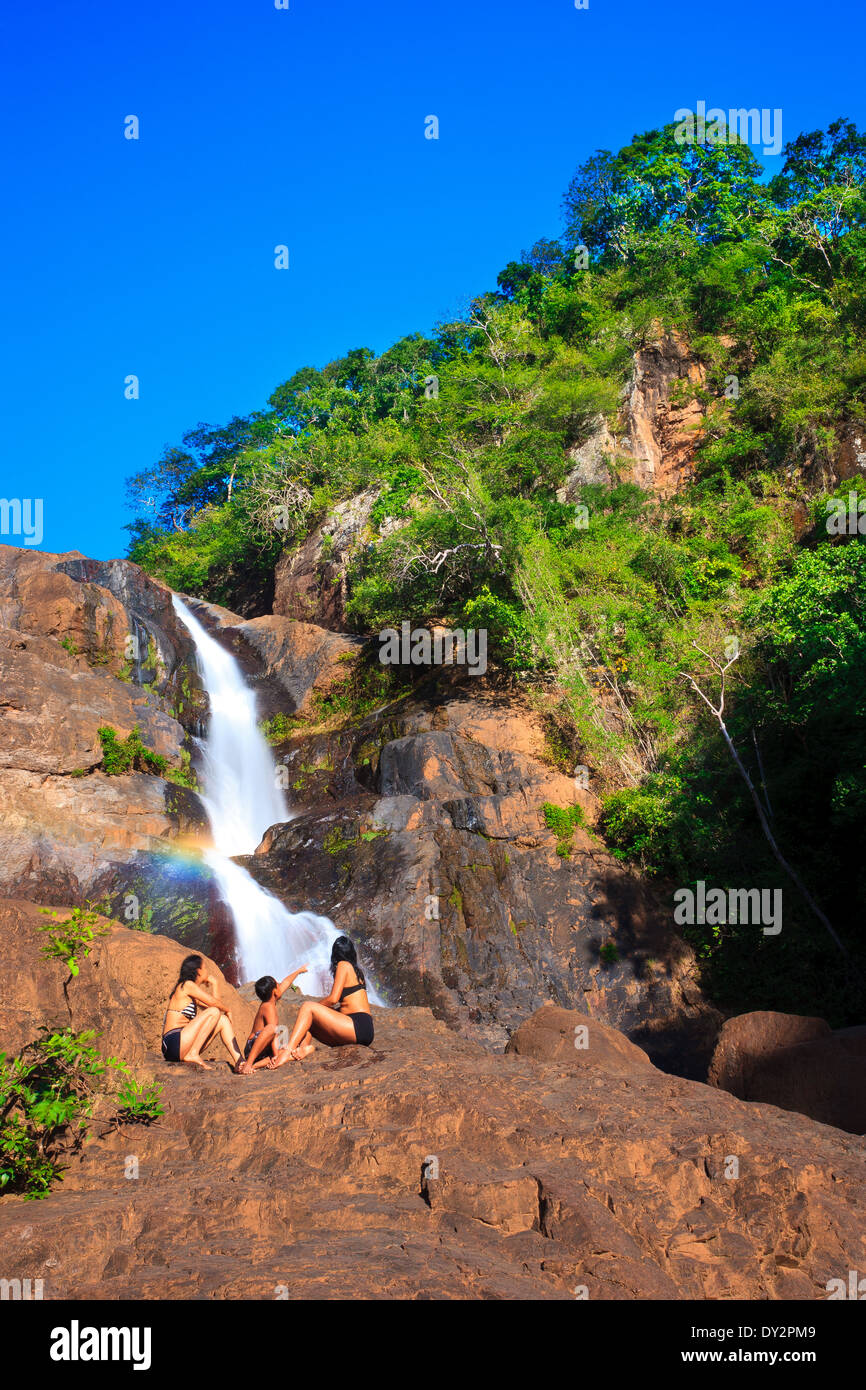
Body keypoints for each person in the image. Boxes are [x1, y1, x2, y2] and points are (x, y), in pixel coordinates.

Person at [283, 936, 374, 1062]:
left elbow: (333, 999)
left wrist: (316, 1007)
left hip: (357, 1025)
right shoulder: (356, 971)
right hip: (365, 1029)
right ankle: (303, 1050)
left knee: (307, 1007)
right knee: (310, 1022)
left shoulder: (343, 965)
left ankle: (286, 1052)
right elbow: (348, 1004)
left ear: (335, 955)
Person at [161, 953, 243, 1071]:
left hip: (183, 1044)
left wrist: (215, 984)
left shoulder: (192, 994)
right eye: (205, 968)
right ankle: (193, 1054)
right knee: (213, 1011)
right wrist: (228, 1010)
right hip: (173, 1042)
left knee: (222, 1020)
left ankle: (239, 1061)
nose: (207, 971)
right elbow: (214, 1005)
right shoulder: (187, 985)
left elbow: (216, 1006)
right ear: (198, 971)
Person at [238, 965, 309, 1074]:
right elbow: (273, 1033)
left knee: (287, 1049)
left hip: (263, 1050)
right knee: (273, 1029)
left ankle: (254, 1065)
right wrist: (276, 1055)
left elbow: (286, 982)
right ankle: (248, 1064)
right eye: (278, 985)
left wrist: (298, 971)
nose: (281, 986)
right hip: (254, 1048)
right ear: (275, 991)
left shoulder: (271, 999)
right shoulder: (267, 1007)